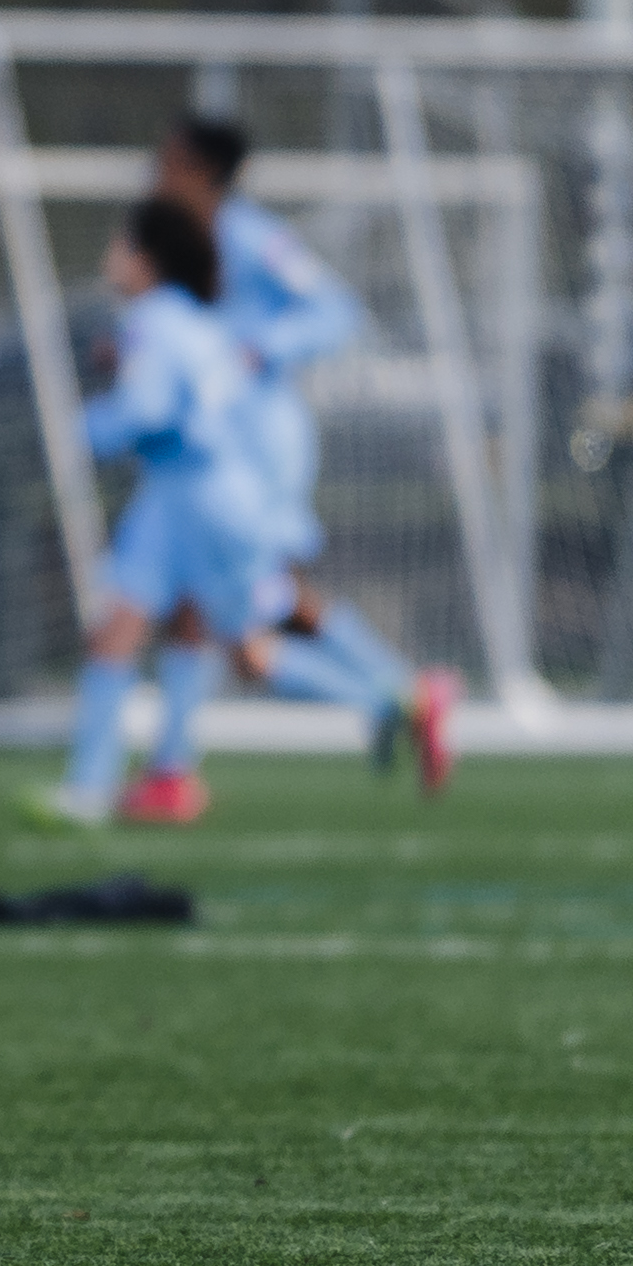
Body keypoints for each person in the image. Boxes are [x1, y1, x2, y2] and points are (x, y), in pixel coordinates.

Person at [152, 115, 453, 791]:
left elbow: (334, 311)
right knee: (250, 610)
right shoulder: (176, 246)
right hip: (212, 450)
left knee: (227, 608)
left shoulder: (250, 238)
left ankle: (172, 770)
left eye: (166, 162)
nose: (155, 176)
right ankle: (400, 696)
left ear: (201, 172)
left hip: (256, 446)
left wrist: (261, 349)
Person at [38, 201, 274, 831]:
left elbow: (147, 410)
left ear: (149, 259)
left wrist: (81, 430)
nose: (109, 258)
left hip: (189, 495)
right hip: (207, 490)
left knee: (245, 650)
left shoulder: (150, 321)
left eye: (121, 245)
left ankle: (393, 695)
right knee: (164, 628)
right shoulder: (200, 324)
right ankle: (144, 776)